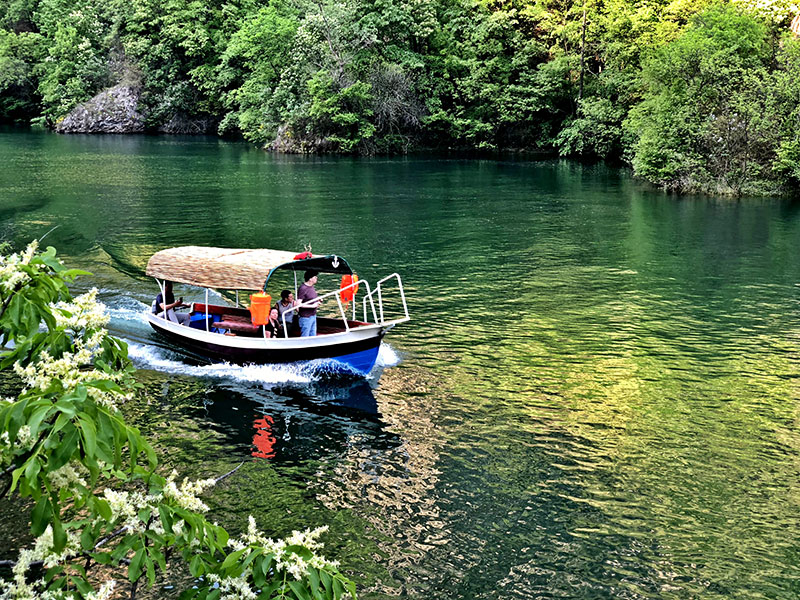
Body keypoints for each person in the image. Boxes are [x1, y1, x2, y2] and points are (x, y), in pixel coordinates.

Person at [297, 269, 322, 337]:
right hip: (306, 317)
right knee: (305, 337)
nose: (316, 278)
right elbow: (298, 304)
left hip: (313, 315)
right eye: (315, 276)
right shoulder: (303, 288)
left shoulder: (312, 287)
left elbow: (310, 298)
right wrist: (312, 306)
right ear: (310, 278)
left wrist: (318, 300)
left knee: (313, 336)